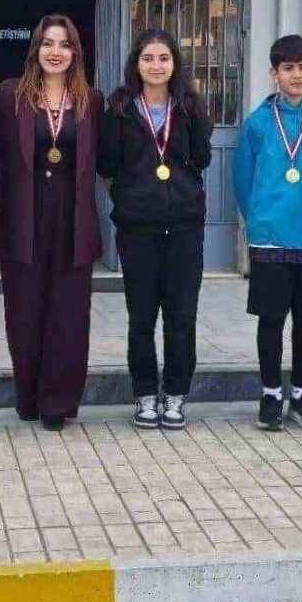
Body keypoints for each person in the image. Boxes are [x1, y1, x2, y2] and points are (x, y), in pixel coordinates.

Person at [98, 29, 214, 431]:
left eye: (164, 58)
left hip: (184, 228)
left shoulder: (191, 108)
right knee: (142, 317)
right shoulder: (119, 110)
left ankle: (176, 394)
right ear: (136, 64)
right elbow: (107, 164)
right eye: (148, 58)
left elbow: (202, 158)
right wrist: (130, 199)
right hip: (138, 230)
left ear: (174, 64)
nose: (156, 65)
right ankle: (146, 395)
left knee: (182, 317)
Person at [0, 15, 103, 431]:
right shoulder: (10, 96)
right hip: (23, 217)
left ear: (76, 52)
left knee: (69, 314)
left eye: (65, 44)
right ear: (35, 48)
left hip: (73, 219)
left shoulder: (92, 100)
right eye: (48, 43)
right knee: (24, 311)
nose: (56, 52)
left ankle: (58, 402)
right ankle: (28, 397)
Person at [233, 34, 302, 432]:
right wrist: (260, 218)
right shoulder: (258, 123)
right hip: (270, 236)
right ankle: (270, 395)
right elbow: (242, 179)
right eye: (288, 68)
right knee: (271, 319)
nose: (297, 75)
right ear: (273, 73)